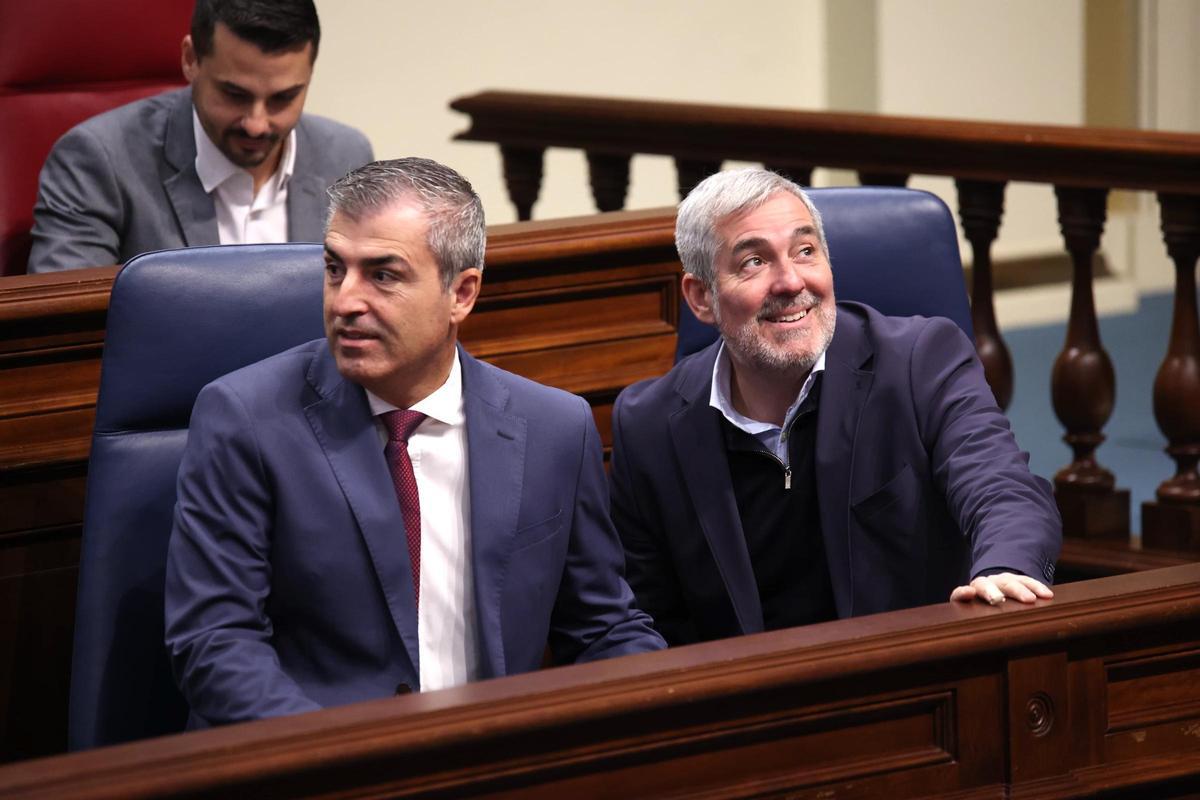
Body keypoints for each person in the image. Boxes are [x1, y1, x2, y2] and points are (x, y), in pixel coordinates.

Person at [164, 158, 664, 726]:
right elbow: (215, 642)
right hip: (312, 762)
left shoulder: (553, 426)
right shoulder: (245, 418)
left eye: (383, 274)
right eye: (335, 269)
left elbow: (602, 628)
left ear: (462, 294)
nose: (345, 301)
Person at [609, 168, 1062, 647]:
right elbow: (641, 614)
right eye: (753, 262)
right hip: (745, 704)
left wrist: (1004, 571)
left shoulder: (920, 362)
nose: (789, 282)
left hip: (908, 682)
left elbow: (1005, 492)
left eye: (806, 252)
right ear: (702, 297)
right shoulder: (649, 424)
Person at [27, 0, 372, 273]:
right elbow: (64, 336)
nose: (256, 124)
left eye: (283, 98)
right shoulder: (97, 160)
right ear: (191, 60)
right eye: (234, 94)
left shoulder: (346, 157)